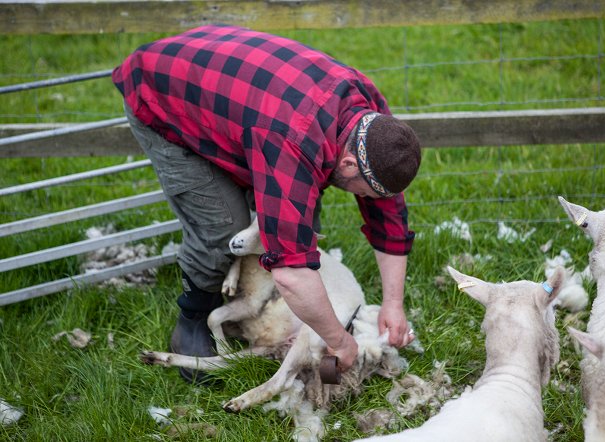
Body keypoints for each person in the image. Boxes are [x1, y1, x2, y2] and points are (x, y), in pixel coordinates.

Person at [112, 24, 421, 383]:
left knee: (294, 221)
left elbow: (388, 213)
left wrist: (392, 304)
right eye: (364, 193)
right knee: (223, 227)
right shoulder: (293, 138)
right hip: (161, 91)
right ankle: (193, 318)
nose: (366, 201)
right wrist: (339, 341)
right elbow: (291, 270)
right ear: (350, 164)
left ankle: (258, 307)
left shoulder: (373, 123)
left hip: (239, 97)